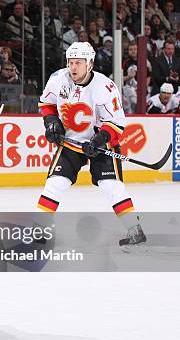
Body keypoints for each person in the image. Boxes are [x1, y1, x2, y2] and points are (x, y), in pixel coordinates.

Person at [37, 42, 146, 250]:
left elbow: (116, 123)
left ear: (90, 64)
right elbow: (46, 104)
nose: (73, 67)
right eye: (70, 62)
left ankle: (135, 230)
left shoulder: (105, 87)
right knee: (55, 183)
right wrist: (51, 122)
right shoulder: (58, 79)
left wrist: (98, 140)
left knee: (111, 186)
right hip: (70, 141)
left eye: (78, 62)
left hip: (101, 144)